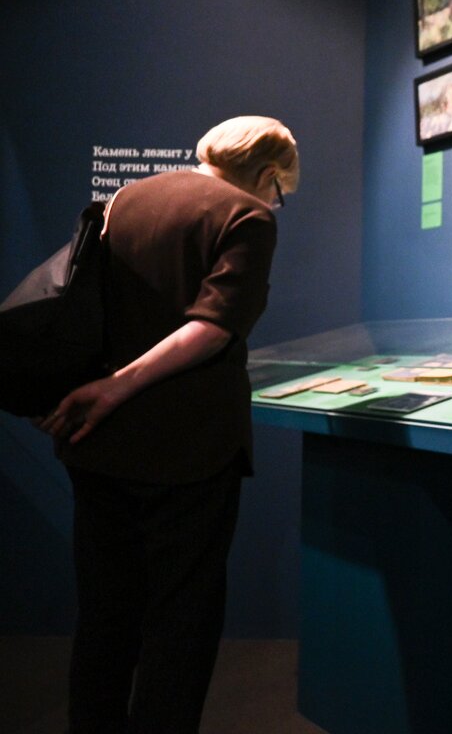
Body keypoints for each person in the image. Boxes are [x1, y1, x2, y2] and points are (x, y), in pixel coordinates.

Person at [38, 116, 299, 733]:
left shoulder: (126, 199)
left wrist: (100, 390)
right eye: (280, 188)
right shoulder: (247, 217)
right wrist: (118, 386)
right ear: (266, 174)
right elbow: (213, 326)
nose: (276, 201)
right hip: (190, 451)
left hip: (99, 446)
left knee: (105, 614)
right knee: (181, 619)